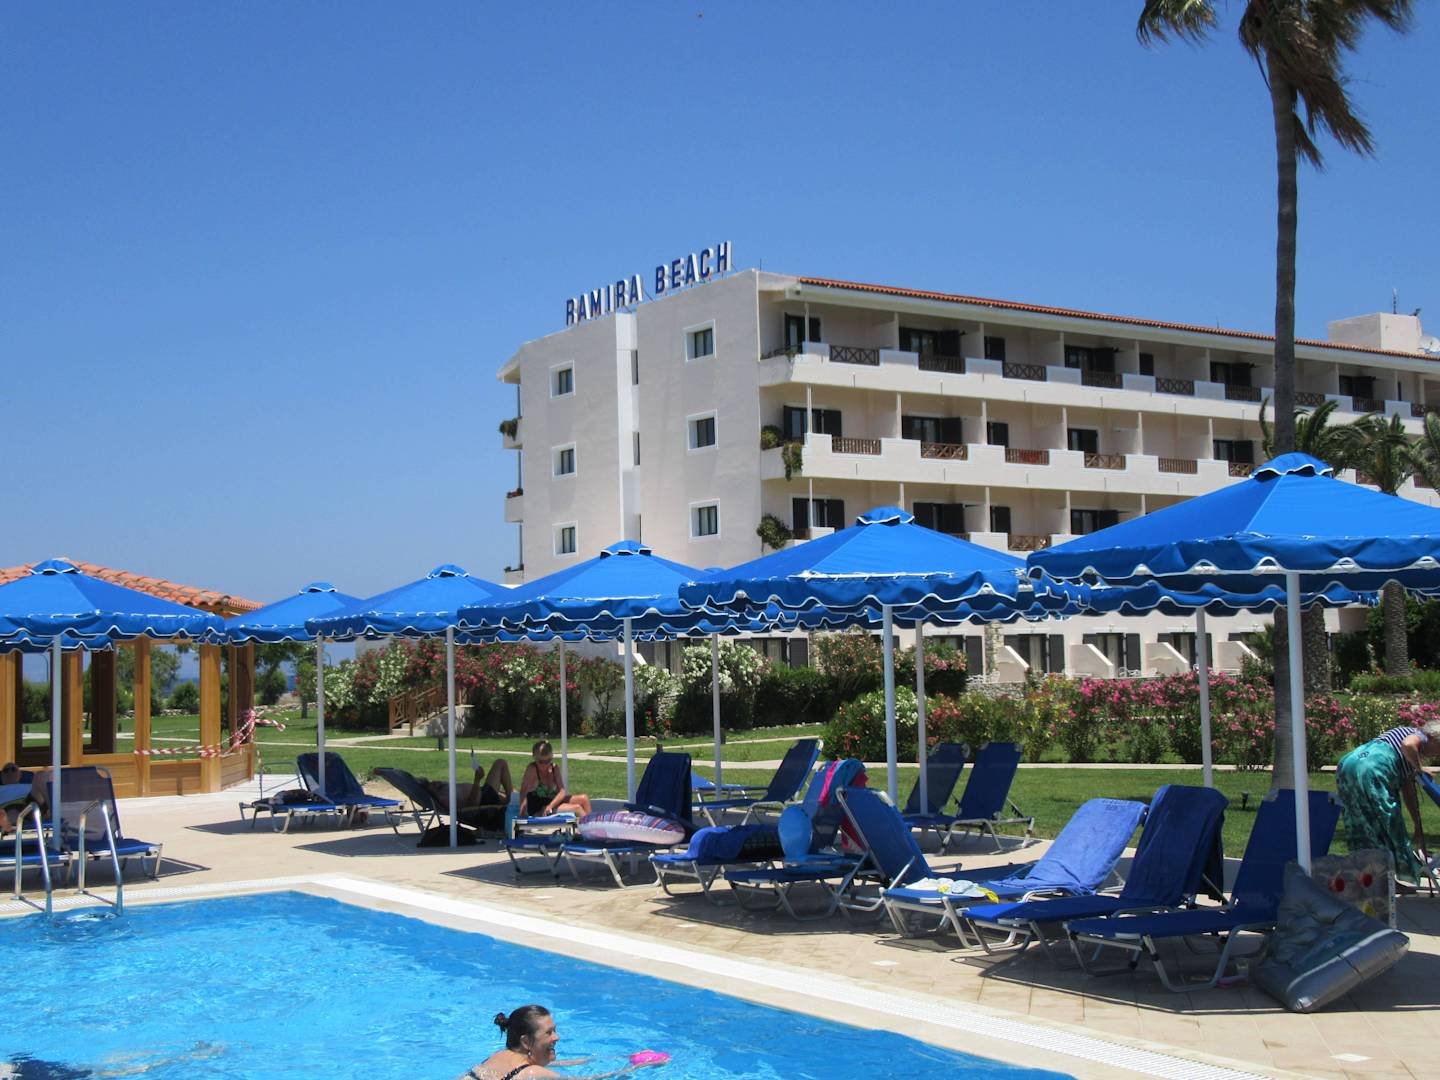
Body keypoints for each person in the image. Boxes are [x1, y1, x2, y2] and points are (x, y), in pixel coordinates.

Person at [1336, 721, 1440, 890]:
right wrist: (1420, 768)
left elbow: (1408, 791)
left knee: (1362, 823)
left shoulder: (1410, 756)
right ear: (1433, 737)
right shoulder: (1419, 736)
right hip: (1372, 768)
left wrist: (1416, 824)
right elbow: (1408, 744)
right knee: (1389, 825)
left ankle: (1369, 878)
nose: (1437, 753)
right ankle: (1392, 881)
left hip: (1348, 765)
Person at [460, 1005, 663, 1080]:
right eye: (549, 1033)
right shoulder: (532, 1073)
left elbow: (561, 1063)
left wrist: (625, 1057)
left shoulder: (498, 1056)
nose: (556, 1037)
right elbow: (591, 1079)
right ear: (526, 1042)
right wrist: (637, 1068)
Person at [519, 741, 591, 818]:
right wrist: (522, 811)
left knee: (584, 799)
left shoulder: (554, 768)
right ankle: (589, 824)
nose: (545, 765)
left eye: (548, 761)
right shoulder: (532, 769)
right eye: (541, 762)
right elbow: (524, 791)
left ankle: (592, 823)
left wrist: (551, 805)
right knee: (577, 808)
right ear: (534, 757)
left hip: (552, 802)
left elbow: (562, 791)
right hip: (539, 807)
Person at [423, 758, 513, 813]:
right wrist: (477, 780)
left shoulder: (443, 789)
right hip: (484, 800)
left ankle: (511, 799)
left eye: (432, 781)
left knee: (507, 795)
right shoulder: (443, 798)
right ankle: (512, 800)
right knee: (500, 763)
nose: (434, 782)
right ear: (430, 792)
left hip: (483, 792)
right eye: (431, 784)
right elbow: (471, 806)